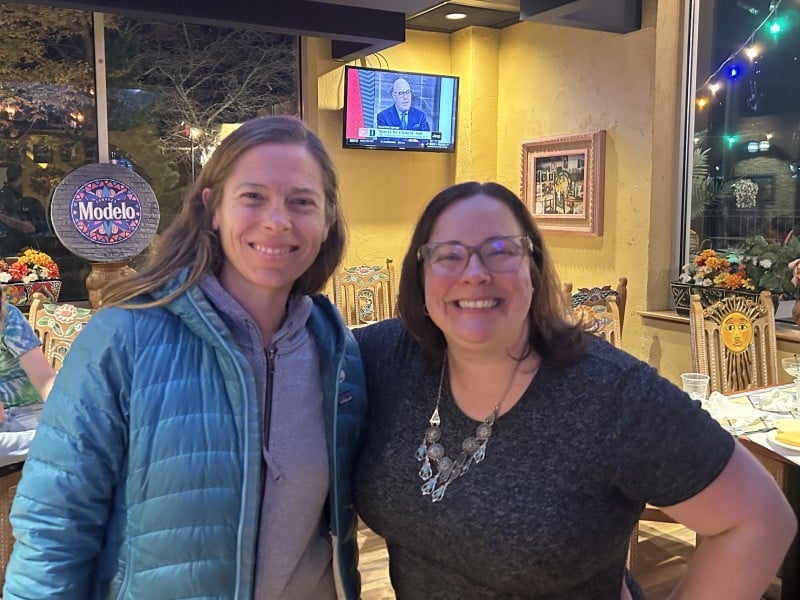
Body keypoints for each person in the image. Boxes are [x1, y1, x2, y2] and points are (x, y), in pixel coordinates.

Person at [353, 181, 797, 599]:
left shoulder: (611, 393)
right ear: (420, 274)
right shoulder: (385, 359)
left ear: (533, 270)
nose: (474, 273)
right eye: (448, 254)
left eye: (501, 251)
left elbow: (760, 520)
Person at [3, 116, 368, 599]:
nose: (278, 220)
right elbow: (52, 528)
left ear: (327, 220)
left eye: (302, 201)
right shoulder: (124, 337)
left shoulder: (339, 351)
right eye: (253, 196)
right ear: (212, 207)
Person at [0, 289, 55, 468]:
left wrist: (69, 416)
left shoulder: (8, 316)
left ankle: (56, 439)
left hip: (23, 413)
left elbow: (45, 379)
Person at [0, 163, 36, 253]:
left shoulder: (14, 193)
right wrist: (24, 225)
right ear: (20, 178)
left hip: (17, 239)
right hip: (9, 241)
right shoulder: (6, 195)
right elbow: (4, 217)